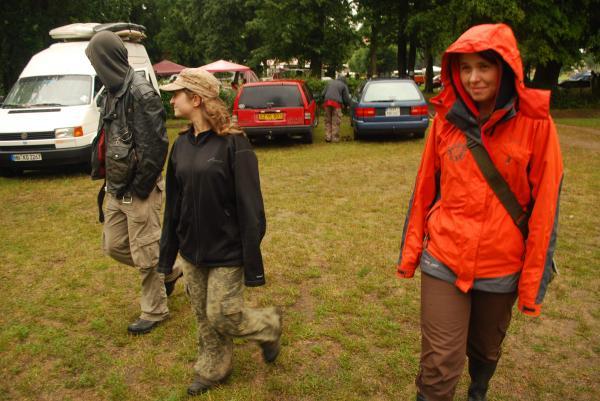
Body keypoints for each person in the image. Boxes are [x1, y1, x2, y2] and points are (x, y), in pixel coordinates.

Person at [395, 24, 563, 401]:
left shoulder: (537, 125)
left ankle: (479, 388)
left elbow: (545, 210)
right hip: (444, 257)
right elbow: (424, 190)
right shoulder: (445, 121)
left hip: (501, 265)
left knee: (485, 349)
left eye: (484, 66)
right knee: (439, 363)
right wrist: (410, 254)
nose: (473, 78)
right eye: (465, 68)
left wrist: (532, 284)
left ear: (506, 68)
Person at [158, 68, 282, 396]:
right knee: (203, 315)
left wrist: (251, 258)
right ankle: (214, 366)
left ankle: (268, 326)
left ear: (196, 99)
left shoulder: (234, 143)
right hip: (192, 250)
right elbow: (173, 205)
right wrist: (168, 255)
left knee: (223, 313)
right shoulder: (180, 145)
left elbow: (251, 207)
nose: (172, 100)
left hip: (228, 249)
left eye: (177, 94)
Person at [86, 31, 182, 335]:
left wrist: (139, 189)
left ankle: (154, 310)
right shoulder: (110, 92)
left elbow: (156, 148)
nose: (94, 67)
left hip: (139, 190)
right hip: (115, 187)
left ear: (107, 59)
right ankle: (170, 269)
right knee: (113, 245)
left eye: (95, 61)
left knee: (145, 251)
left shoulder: (141, 93)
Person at [321, 74, 351, 142]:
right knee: (336, 121)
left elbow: (322, 94)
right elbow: (346, 98)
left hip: (327, 103)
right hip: (336, 104)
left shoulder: (330, 82)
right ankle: (334, 138)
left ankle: (328, 137)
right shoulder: (343, 85)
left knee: (327, 120)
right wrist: (347, 105)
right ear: (344, 80)